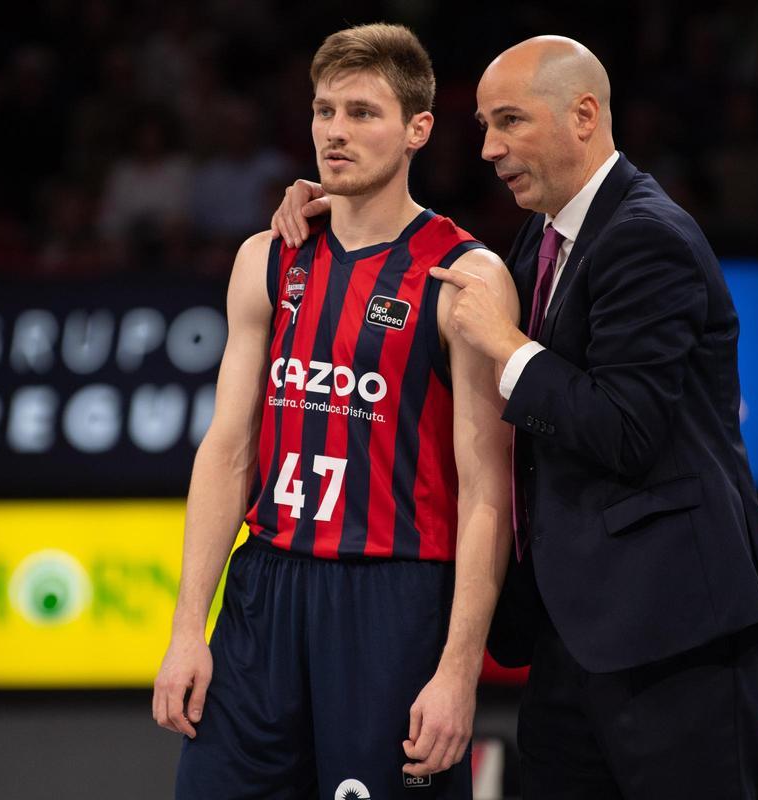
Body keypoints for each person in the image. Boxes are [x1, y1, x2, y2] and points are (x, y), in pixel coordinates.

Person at [272, 34, 758, 800]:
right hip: (572, 639)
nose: (488, 147)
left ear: (583, 115)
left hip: (674, 636)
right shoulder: (541, 240)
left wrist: (508, 347)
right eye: (483, 125)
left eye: (509, 122)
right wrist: (336, 202)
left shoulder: (649, 238)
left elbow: (627, 429)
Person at [153, 23, 516, 799]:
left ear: (418, 129)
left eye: (361, 112)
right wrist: (189, 629)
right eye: (324, 112)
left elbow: (488, 492)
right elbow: (225, 449)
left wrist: (459, 673)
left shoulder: (464, 274)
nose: (336, 133)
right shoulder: (268, 254)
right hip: (264, 589)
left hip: (394, 598)